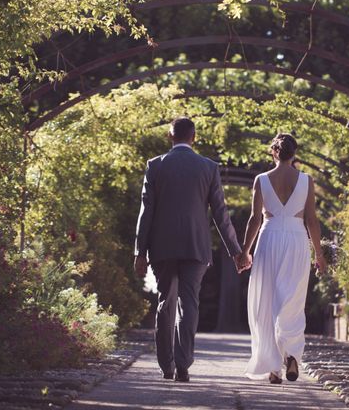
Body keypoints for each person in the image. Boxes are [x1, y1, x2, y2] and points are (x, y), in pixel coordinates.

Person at [133, 117, 252, 382]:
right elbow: (221, 214)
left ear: (169, 136)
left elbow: (146, 211)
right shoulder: (208, 167)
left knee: (165, 302)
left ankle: (166, 365)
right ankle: (184, 364)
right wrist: (236, 251)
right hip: (196, 247)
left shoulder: (155, 166)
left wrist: (140, 252)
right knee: (189, 303)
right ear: (194, 137)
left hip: (161, 247)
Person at [242, 133, 327, 384]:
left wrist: (245, 251)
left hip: (268, 241)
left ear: (273, 152)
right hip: (296, 241)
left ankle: (273, 367)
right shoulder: (306, 180)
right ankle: (290, 354)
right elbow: (311, 220)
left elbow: (255, 219)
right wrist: (319, 254)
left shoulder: (261, 179)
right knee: (291, 300)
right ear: (294, 153)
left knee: (267, 303)